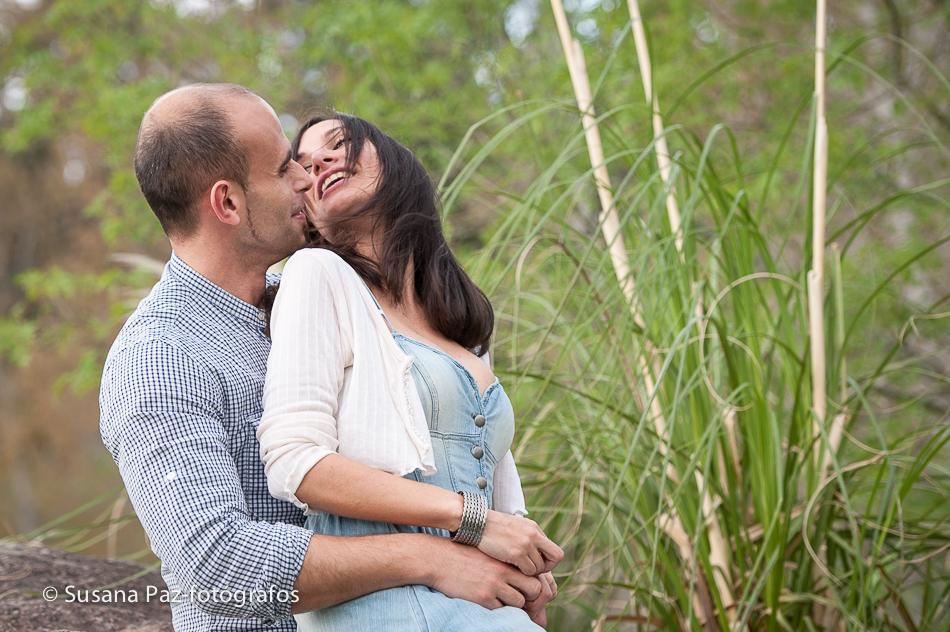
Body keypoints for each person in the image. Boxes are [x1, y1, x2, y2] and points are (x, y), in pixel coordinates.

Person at [99, 83, 554, 632]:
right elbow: (215, 566)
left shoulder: (334, 302)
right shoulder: (160, 356)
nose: (303, 178)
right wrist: (433, 558)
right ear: (227, 203)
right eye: (282, 169)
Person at [256, 112, 563, 631]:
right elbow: (294, 461)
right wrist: (474, 520)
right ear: (308, 212)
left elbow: (502, 493)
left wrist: (528, 561)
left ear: (394, 164)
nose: (319, 163)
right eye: (304, 165)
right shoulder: (316, 275)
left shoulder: (459, 323)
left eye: (339, 143)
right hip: (384, 602)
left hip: (480, 599)